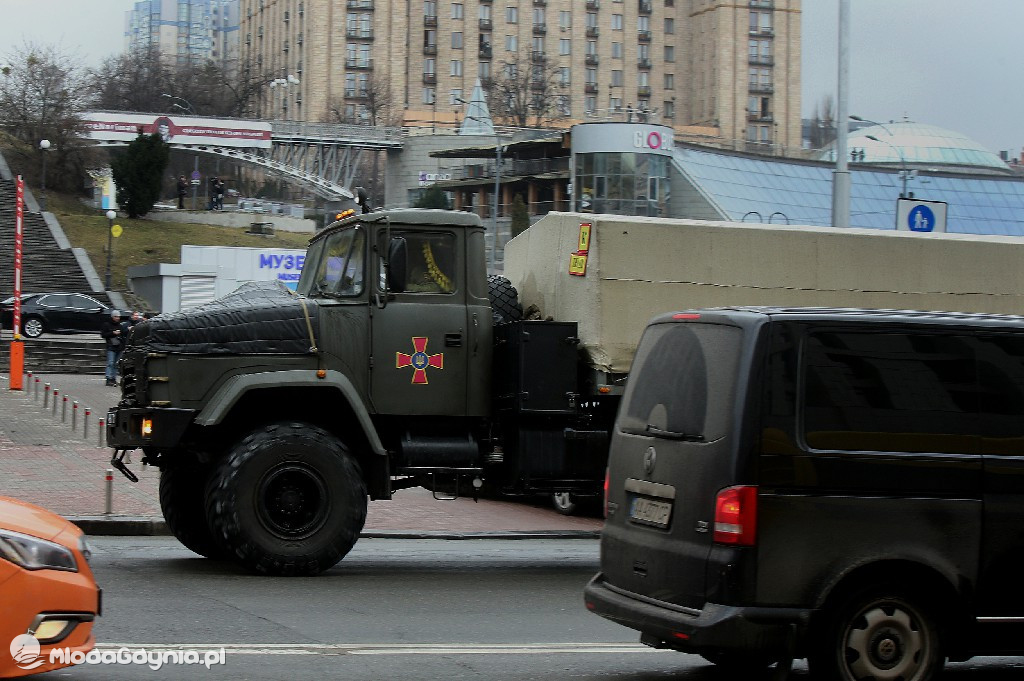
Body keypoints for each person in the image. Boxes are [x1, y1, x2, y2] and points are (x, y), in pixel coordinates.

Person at [101, 310, 126, 386]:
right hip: (111, 346)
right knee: (110, 363)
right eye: (115, 316)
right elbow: (103, 335)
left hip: (119, 347)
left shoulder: (120, 326)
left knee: (116, 364)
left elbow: (123, 335)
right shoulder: (106, 325)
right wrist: (113, 333)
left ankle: (113, 378)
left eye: (118, 317)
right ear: (112, 317)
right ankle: (108, 378)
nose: (117, 318)